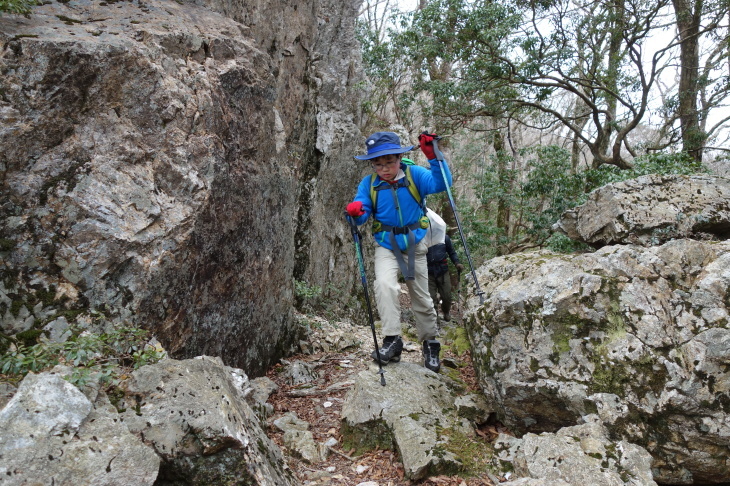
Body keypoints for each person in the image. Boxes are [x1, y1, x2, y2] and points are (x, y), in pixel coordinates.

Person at [345, 131, 452, 373]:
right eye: (378, 163)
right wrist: (356, 211)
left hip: (416, 244)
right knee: (384, 285)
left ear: (400, 157)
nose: (384, 168)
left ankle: (430, 344)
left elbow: (441, 184)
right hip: (386, 245)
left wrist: (434, 157)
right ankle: (392, 340)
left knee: (422, 297)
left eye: (389, 162)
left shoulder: (415, 175)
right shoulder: (370, 184)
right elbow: (362, 211)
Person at [427, 233, 464, 322]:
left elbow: (451, 252)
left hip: (443, 271)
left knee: (446, 296)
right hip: (428, 272)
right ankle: (435, 319)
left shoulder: (444, 238)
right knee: (431, 297)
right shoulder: (423, 237)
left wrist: (457, 263)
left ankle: (446, 312)